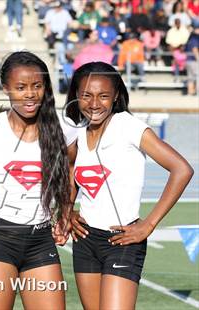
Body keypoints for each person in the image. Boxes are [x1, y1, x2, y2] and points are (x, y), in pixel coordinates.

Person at [65, 61, 194, 309]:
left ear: (115, 97)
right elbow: (69, 168)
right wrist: (67, 208)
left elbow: (181, 169)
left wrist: (149, 224)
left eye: (103, 96)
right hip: (85, 240)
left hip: (123, 240)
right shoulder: (78, 133)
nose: (94, 104)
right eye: (86, 96)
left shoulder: (128, 126)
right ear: (76, 97)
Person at [0, 51, 78, 310]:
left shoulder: (63, 127)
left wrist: (66, 210)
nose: (30, 94)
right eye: (21, 87)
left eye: (37, 86)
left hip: (41, 239)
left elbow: (72, 167)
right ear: (6, 88)